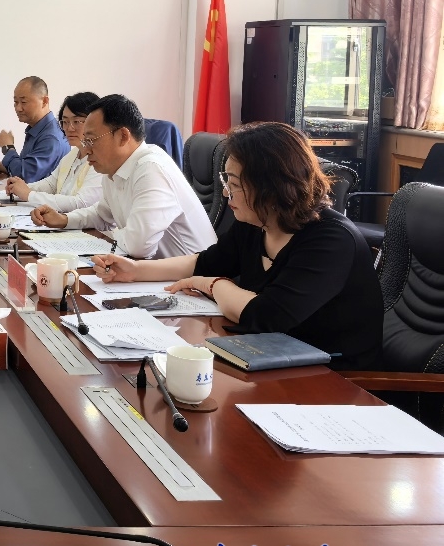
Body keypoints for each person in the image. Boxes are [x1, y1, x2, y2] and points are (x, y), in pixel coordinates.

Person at [91, 122, 381, 369]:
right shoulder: (257, 220)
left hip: (330, 375)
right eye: (225, 180)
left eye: (234, 184)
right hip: (266, 356)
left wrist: (213, 285)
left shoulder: (330, 240)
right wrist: (135, 270)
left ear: (271, 186)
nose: (226, 192)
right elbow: (205, 262)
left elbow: (265, 316)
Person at [31, 94, 216, 258]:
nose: (86, 150)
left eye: (91, 140)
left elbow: (138, 246)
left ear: (123, 136)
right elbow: (102, 215)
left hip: (193, 280)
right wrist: (64, 220)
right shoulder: (113, 169)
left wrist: (108, 234)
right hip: (152, 272)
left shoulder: (151, 169)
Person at [3, 91, 103, 212]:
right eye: (65, 122)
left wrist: (29, 195)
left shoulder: (101, 159)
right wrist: (20, 188)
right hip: (63, 219)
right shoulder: (73, 154)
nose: (69, 128)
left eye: (76, 121)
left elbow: (81, 203)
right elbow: (51, 184)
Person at [0, 76, 68, 182]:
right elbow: (23, 167)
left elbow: (24, 176)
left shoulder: (51, 138)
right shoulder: (37, 129)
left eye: (24, 102)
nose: (18, 108)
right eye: (16, 102)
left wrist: (8, 147)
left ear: (44, 101)